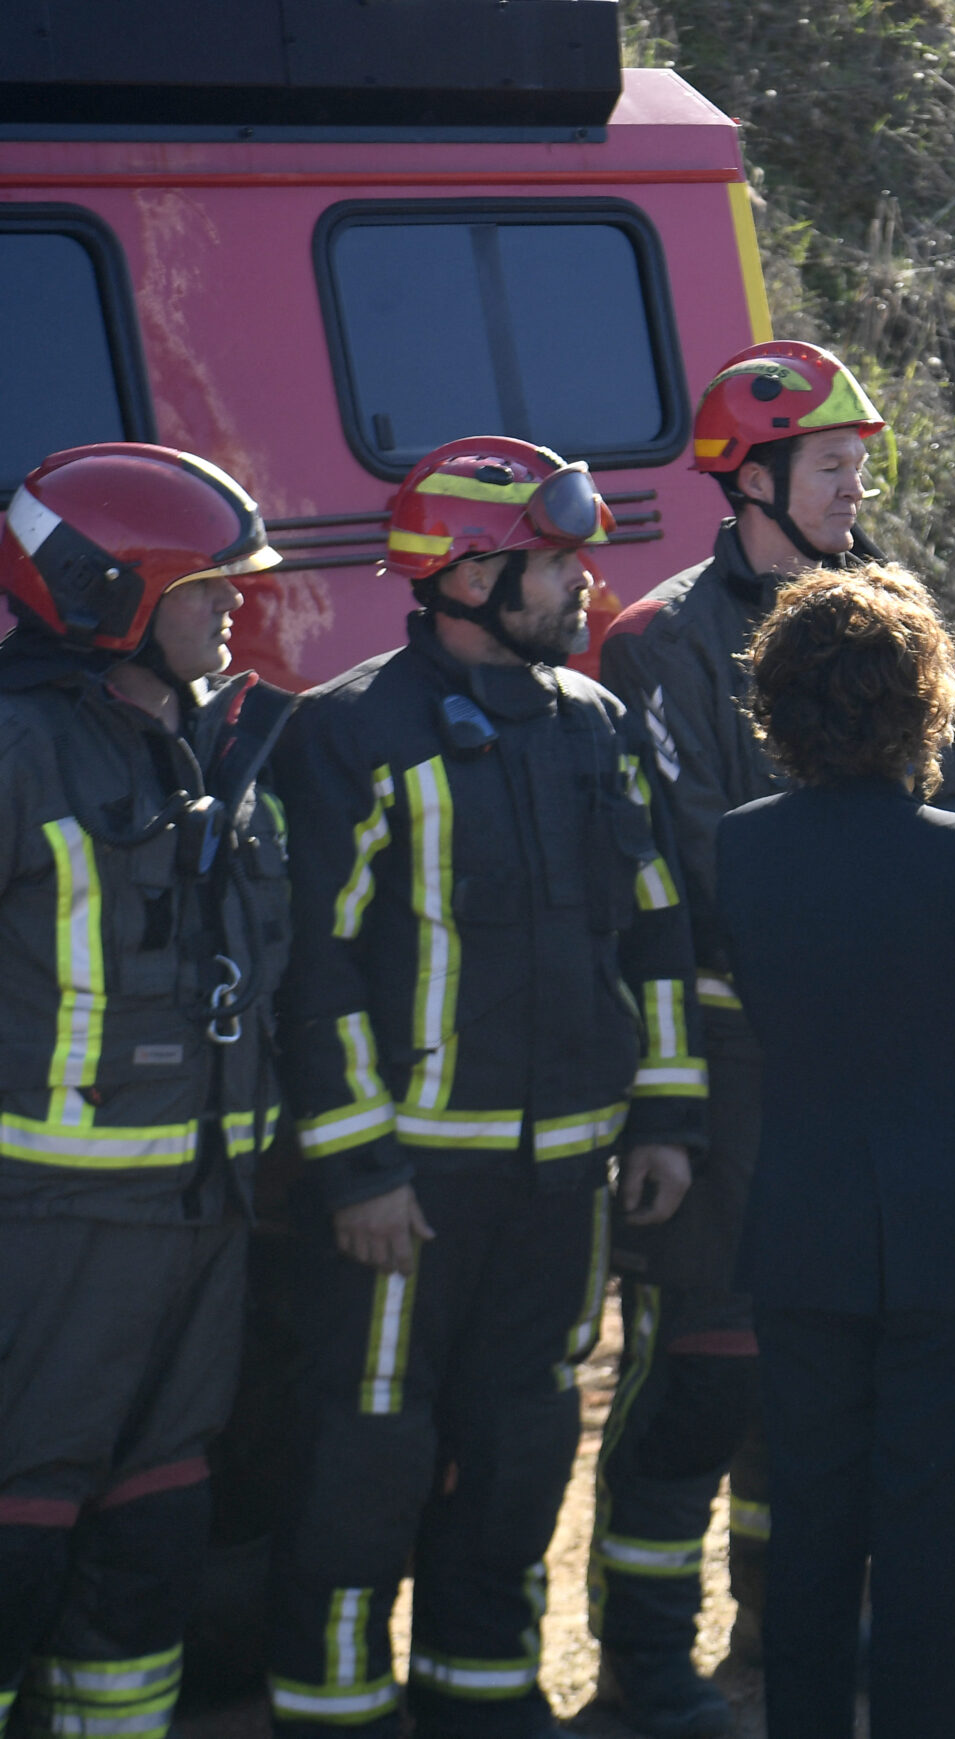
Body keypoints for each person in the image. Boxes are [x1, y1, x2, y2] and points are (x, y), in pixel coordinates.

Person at [266, 437, 707, 1739]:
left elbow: (656, 930)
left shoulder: (596, 724)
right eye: (555, 559)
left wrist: (668, 1118)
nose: (582, 581)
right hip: (412, 1191)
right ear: (466, 571)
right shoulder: (350, 733)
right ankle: (336, 1707)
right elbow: (317, 972)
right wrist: (361, 1167)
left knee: (522, 1453)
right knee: (367, 1457)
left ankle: (483, 1693)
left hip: (563, 1183)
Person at [587, 339, 888, 1737]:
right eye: (831, 464)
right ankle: (650, 1654)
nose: (853, 486)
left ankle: (795, 1615)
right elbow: (701, 855)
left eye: (857, 464)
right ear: (753, 475)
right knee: (704, 1365)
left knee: (817, 1367)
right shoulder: (660, 640)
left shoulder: (884, 615)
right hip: (721, 1060)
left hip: (848, 1068)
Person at [719, 570, 955, 1739]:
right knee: (931, 1563)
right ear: (924, 702)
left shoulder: (740, 851)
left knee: (811, 1540)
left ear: (777, 703)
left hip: (806, 1236)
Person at [0, 445, 289, 1739]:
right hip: (51, 1231)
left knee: (156, 1530)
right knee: (19, 1539)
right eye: (209, 584)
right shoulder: (17, 750)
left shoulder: (227, 746)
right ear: (104, 588)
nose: (236, 608)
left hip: (200, 1222)